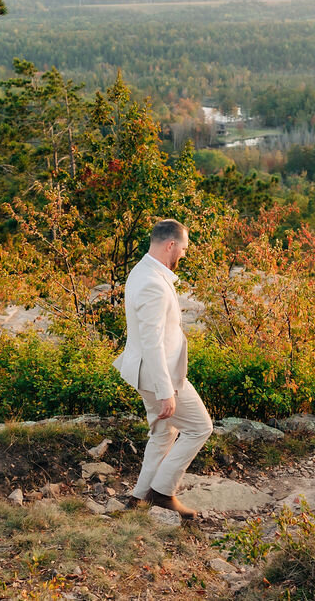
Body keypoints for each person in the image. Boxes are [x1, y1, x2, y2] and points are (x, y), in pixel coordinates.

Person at [114, 219, 212, 519]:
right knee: (200, 427)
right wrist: (165, 391)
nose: (182, 254)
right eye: (182, 249)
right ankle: (163, 492)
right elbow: (153, 343)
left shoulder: (142, 271)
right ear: (170, 245)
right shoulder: (153, 284)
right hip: (160, 375)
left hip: (146, 371)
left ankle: (139, 497)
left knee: (162, 434)